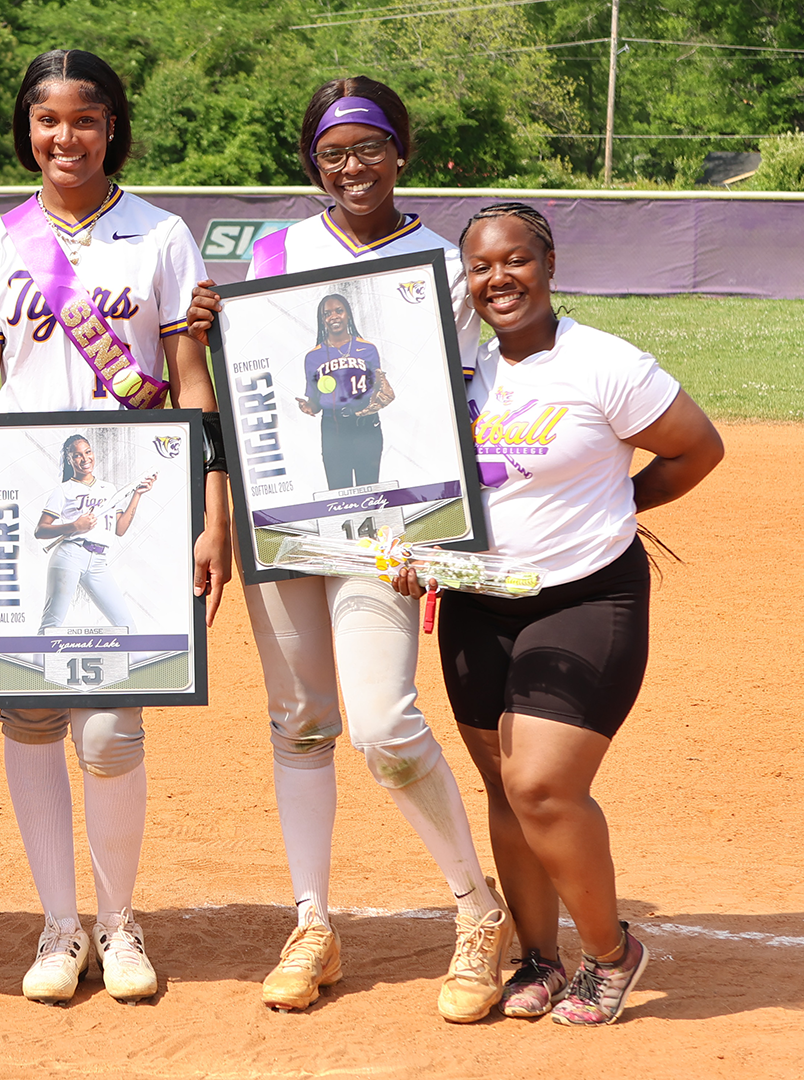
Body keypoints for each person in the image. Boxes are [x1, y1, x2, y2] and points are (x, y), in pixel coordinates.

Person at [184, 75, 510, 1021]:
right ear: (312, 164)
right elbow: (257, 385)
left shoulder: (444, 263)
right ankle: (314, 921)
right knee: (300, 722)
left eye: (370, 146)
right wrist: (214, 335)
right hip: (286, 515)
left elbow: (462, 402)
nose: (353, 166)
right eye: (333, 152)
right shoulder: (280, 251)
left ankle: (476, 911)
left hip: (390, 523)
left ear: (401, 151)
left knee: (381, 722)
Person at [0, 49, 232, 1006]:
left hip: (132, 506)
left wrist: (210, 507)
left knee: (110, 727)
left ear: (114, 128)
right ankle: (60, 925)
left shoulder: (161, 237)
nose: (66, 136)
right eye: (47, 119)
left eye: (86, 119)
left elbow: (190, 381)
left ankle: (118, 918)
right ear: (26, 128)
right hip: (21, 506)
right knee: (29, 712)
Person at [394, 202, 723, 1024]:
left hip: (585, 594)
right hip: (479, 601)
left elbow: (698, 446)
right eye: (480, 266)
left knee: (541, 785)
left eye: (515, 261)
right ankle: (539, 959)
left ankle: (612, 953)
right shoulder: (459, 368)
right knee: (504, 789)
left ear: (547, 264)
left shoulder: (604, 364)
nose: (498, 279)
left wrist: (622, 501)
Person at [34, 435, 152, 632]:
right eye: (77, 455)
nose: (85, 458)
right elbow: (40, 530)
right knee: (51, 625)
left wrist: (137, 495)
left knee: (126, 626)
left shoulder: (108, 489)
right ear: (69, 459)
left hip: (98, 561)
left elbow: (120, 529)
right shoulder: (63, 491)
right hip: (70, 555)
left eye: (88, 452)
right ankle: (39, 663)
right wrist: (75, 526)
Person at [297, 293, 393, 489]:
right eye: (327, 314)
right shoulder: (313, 357)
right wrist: (308, 407)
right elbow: (315, 401)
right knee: (339, 493)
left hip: (366, 424)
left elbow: (378, 388)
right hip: (334, 428)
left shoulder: (367, 349)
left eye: (339, 311)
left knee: (369, 489)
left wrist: (382, 394)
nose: (334, 317)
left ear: (348, 314)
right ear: (322, 320)